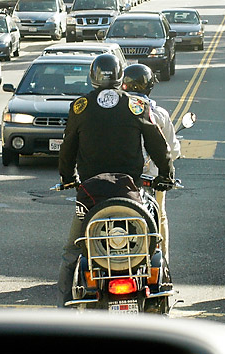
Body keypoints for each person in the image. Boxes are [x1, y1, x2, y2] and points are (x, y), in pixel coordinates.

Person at [56, 53, 174, 307]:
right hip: (130, 191)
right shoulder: (136, 106)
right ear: (121, 78)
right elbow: (158, 146)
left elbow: (67, 148)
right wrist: (166, 175)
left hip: (91, 195)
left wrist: (68, 177)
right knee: (152, 243)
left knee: (73, 250)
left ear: (92, 78)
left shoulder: (81, 107)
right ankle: (161, 291)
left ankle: (63, 307)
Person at [121, 63, 181, 263]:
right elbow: (171, 150)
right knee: (160, 215)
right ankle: (162, 260)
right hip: (152, 177)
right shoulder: (159, 113)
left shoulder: (117, 111)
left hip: (121, 175)